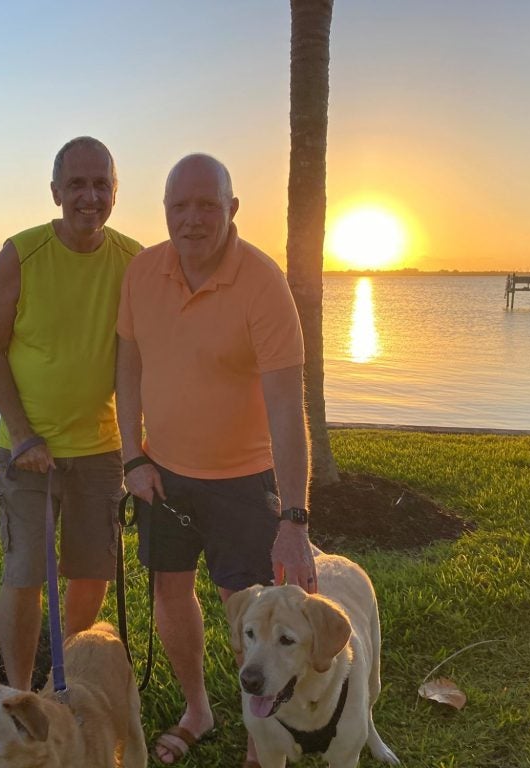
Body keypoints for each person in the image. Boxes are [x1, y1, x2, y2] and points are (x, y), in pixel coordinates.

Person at [115, 153, 316, 765]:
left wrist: (294, 518)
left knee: (248, 613)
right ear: (165, 211)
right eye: (180, 206)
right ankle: (198, 709)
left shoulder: (262, 281)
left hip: (243, 481)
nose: (193, 219)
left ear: (231, 209)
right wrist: (132, 459)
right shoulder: (143, 272)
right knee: (170, 596)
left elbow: (286, 406)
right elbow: (128, 368)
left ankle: (263, 740)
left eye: (207, 205)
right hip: (163, 476)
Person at [0, 137, 142, 692]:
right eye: (77, 184)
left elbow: (142, 358)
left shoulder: (133, 260)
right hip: (27, 452)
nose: (89, 197)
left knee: (91, 575)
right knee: (24, 577)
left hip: (100, 448)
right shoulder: (21, 254)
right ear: (55, 192)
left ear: (115, 193)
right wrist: (23, 436)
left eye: (101, 185)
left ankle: (66, 685)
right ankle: (21, 694)